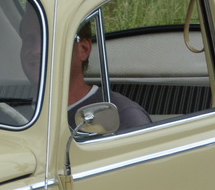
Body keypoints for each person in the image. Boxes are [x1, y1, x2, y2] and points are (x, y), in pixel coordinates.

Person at [18, 15, 151, 133]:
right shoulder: (11, 111)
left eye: (49, 38)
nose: (35, 50)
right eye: (28, 39)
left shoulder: (123, 118)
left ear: (83, 49)